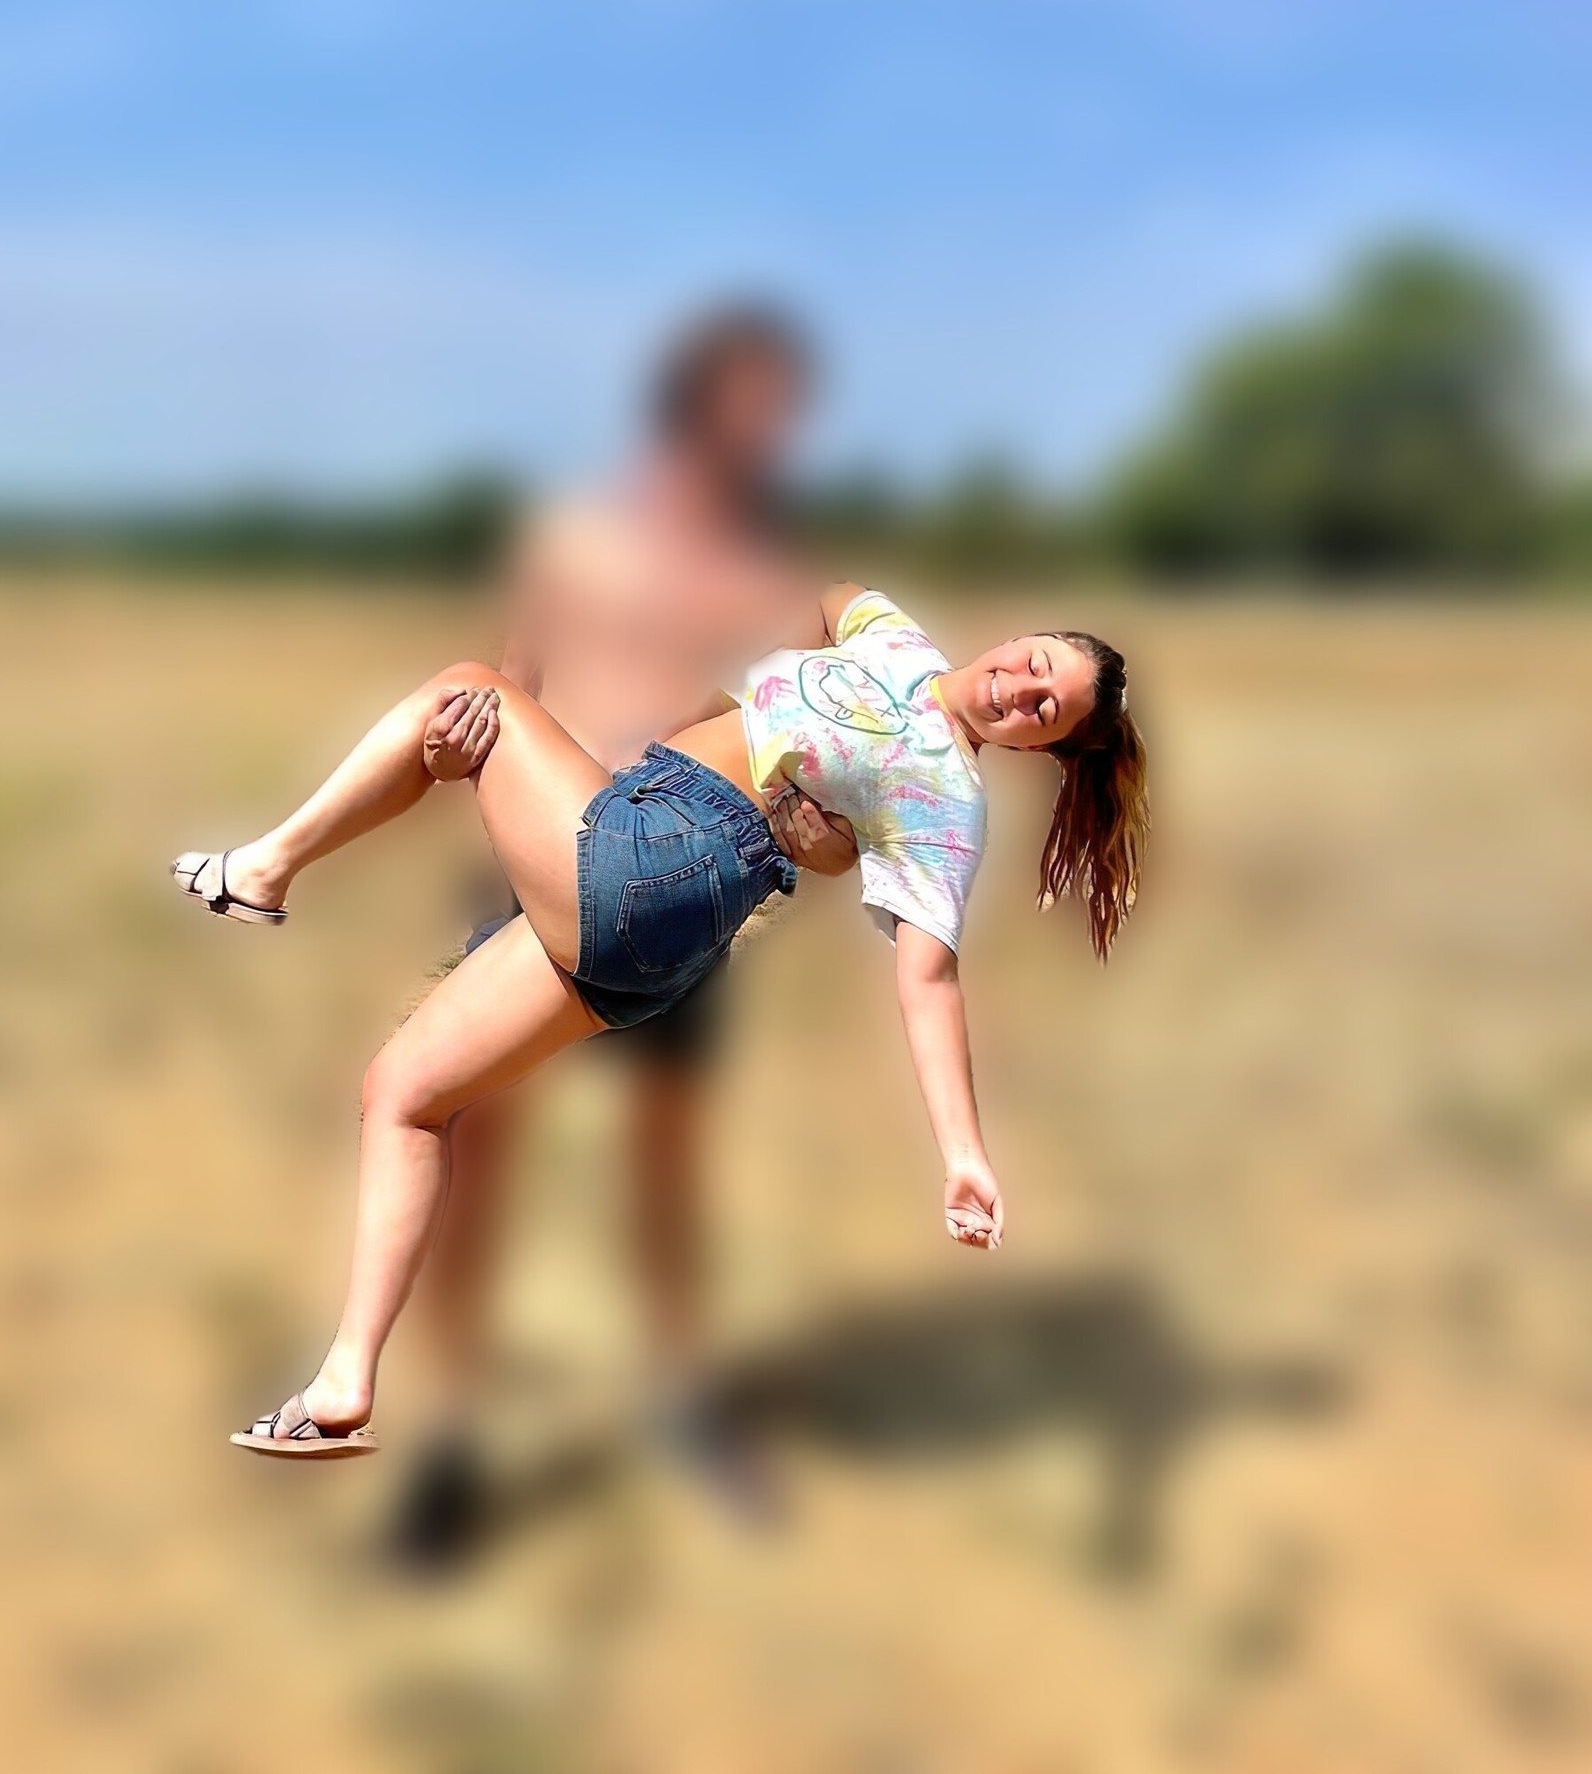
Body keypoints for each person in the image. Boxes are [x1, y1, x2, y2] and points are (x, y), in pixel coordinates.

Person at [170, 583, 1150, 1457]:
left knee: (470, 690)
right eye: (1037, 663)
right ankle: (344, 1384)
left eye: (1045, 711)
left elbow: (928, 980)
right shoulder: (893, 640)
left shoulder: (947, 803)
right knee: (403, 1094)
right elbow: (826, 598)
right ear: (1019, 638)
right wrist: (737, 680)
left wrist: (963, 1154)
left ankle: (266, 868)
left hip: (671, 857)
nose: (1023, 690)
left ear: (1039, 749)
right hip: (658, 911)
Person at [403, 304, 852, 1550]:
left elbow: (784, 742)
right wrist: (469, 768)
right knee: (476, 1142)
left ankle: (681, 1399)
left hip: (676, 878)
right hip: (542, 865)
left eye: (783, 409)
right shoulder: (575, 537)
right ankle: (450, 1435)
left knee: (664, 1153)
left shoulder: (773, 587)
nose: (768, 429)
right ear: (693, 398)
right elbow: (513, 689)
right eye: (752, 399)